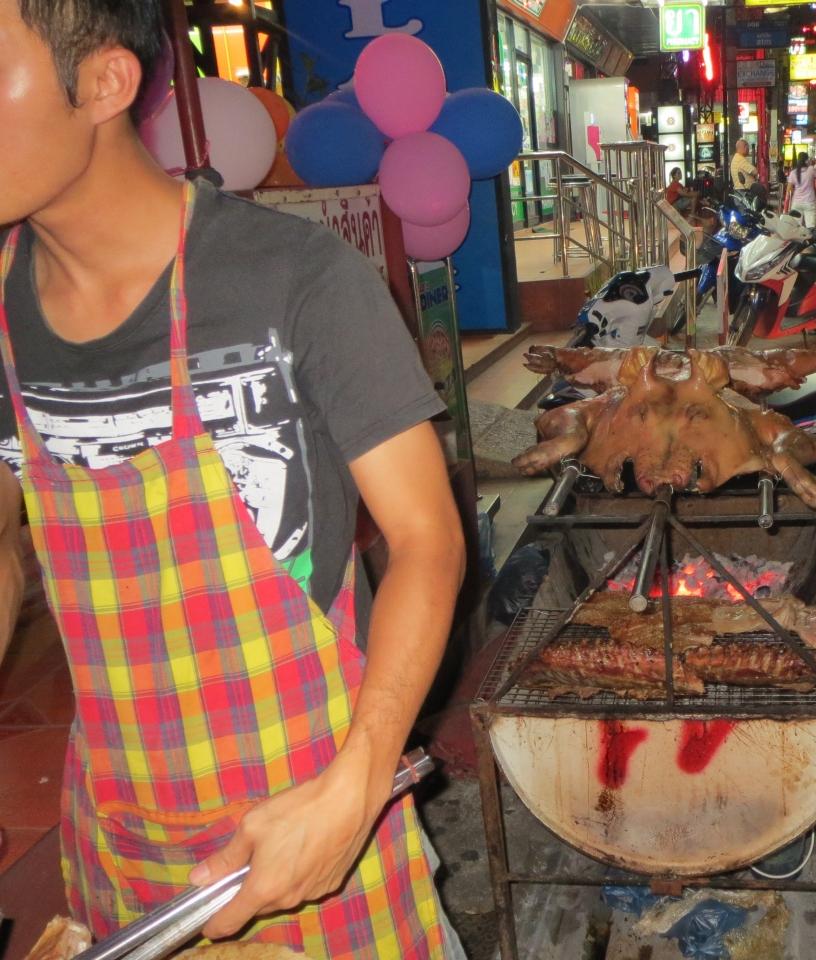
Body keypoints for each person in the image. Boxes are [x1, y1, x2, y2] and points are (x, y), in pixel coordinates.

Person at [0, 2, 466, 958]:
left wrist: (358, 782)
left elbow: (430, 540)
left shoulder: (295, 280)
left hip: (318, 819)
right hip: (122, 839)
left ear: (104, 81)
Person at [785, 151, 816, 228]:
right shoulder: (811, 169)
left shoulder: (793, 172)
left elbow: (789, 189)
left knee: (796, 227)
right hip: (809, 202)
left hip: (796, 203)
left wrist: (786, 205)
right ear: (806, 160)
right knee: (811, 227)